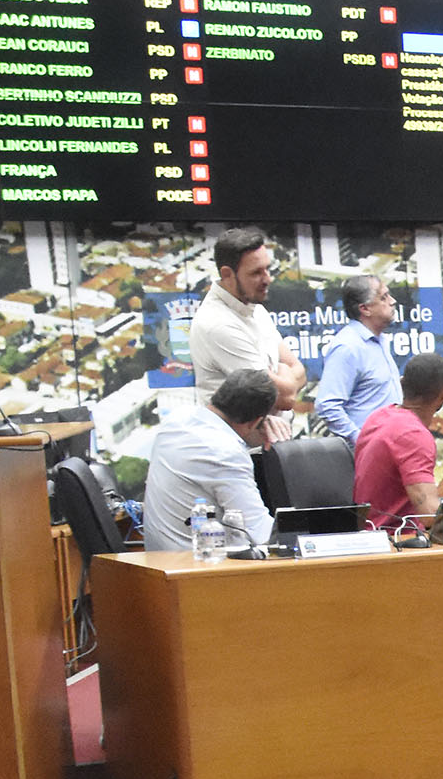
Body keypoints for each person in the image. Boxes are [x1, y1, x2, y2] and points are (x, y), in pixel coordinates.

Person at [142, 366, 278, 552]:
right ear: (256, 422)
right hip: (200, 569)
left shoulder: (175, 420)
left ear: (217, 394)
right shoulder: (225, 453)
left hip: (159, 561)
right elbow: (260, 533)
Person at [187, 226, 307, 433]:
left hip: (273, 443)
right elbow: (285, 398)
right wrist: (284, 374)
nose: (267, 279)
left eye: (267, 269)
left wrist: (282, 375)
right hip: (241, 452)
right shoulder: (218, 324)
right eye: (256, 273)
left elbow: (299, 370)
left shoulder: (255, 309)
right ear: (227, 274)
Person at [354, 352, 443, 530]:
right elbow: (429, 515)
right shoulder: (413, 434)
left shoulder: (379, 416)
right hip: (397, 543)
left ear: (402, 382)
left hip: (371, 536)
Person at [312, 273, 401, 439]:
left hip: (390, 447)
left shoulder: (380, 340)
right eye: (384, 297)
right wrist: (360, 442)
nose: (392, 301)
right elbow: (327, 405)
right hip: (368, 457)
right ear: (365, 308)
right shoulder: (348, 347)